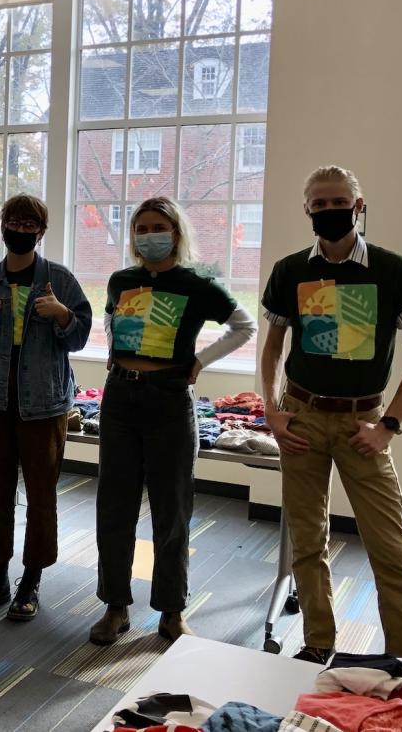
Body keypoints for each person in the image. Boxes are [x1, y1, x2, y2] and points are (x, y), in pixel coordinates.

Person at [260, 165, 402, 670]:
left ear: (359, 206)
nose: (330, 211)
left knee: (389, 548)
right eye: (320, 203)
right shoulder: (290, 271)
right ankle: (319, 642)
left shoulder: (394, 270)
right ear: (307, 209)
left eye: (340, 202)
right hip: (302, 419)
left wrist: (389, 428)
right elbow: (273, 350)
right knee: (308, 540)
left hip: (365, 425)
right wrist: (273, 410)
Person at [91, 196, 257, 645]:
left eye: (157, 227)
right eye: (141, 228)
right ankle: (115, 606)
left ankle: (171, 610)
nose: (149, 235)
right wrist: (114, 354)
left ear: (177, 233)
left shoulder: (196, 283)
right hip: (121, 398)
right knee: (115, 508)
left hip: (169, 399)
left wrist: (200, 361)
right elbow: (111, 320)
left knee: (172, 511)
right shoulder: (120, 280)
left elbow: (244, 326)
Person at [0, 194, 92, 621]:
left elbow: (81, 337)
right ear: (3, 227)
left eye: (29, 222)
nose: (20, 228)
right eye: (13, 220)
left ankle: (30, 580)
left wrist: (62, 314)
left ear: (41, 230)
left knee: (41, 494)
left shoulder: (61, 280)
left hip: (45, 403)